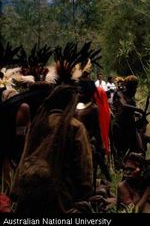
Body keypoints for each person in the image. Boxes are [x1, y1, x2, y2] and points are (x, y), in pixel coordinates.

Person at [11, 85, 93, 213]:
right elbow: (83, 166)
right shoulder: (75, 126)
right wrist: (85, 195)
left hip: (29, 194)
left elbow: (24, 155)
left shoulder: (37, 124)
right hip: (61, 197)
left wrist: (16, 190)